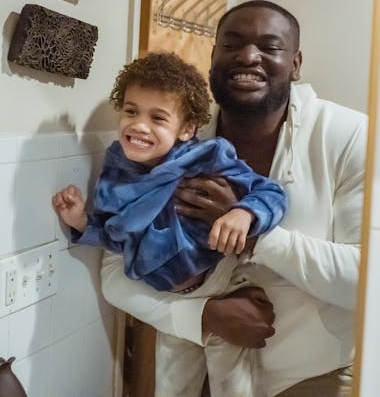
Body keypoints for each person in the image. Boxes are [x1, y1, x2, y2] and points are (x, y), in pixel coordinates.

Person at [101, 0, 365, 396]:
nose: (248, 56)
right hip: (203, 370)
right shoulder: (176, 137)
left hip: (313, 378)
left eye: (269, 46)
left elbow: (366, 280)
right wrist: (203, 316)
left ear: (295, 63)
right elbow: (113, 274)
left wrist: (255, 234)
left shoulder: (347, 135)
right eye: (232, 44)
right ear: (212, 58)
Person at [53, 52, 287, 396]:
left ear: (187, 129)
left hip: (222, 282)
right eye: (131, 111)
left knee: (233, 387)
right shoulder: (117, 171)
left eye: (158, 117)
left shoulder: (207, 157)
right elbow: (117, 237)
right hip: (171, 299)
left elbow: (271, 192)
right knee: (171, 387)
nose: (139, 125)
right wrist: (82, 221)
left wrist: (244, 213)